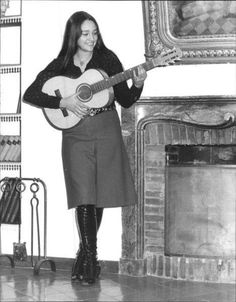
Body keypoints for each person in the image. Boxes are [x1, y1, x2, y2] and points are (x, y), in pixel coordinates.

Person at [23, 11, 147, 285]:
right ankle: (91, 258)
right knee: (83, 194)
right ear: (74, 36)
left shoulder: (108, 59)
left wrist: (138, 84)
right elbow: (30, 94)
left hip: (105, 129)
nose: (92, 38)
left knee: (98, 193)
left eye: (95, 32)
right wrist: (62, 103)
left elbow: (125, 100)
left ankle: (86, 255)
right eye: (86, 34)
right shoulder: (61, 63)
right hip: (75, 134)